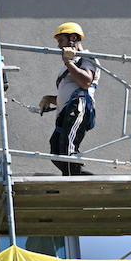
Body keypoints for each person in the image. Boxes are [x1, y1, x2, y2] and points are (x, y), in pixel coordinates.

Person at [38, 22, 98, 176]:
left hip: (79, 105)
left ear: (73, 38)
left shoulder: (86, 57)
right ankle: (78, 177)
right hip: (68, 108)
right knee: (56, 147)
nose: (59, 46)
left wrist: (68, 62)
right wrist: (49, 99)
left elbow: (85, 82)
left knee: (68, 147)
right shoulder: (70, 64)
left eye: (61, 41)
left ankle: (74, 181)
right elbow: (67, 94)